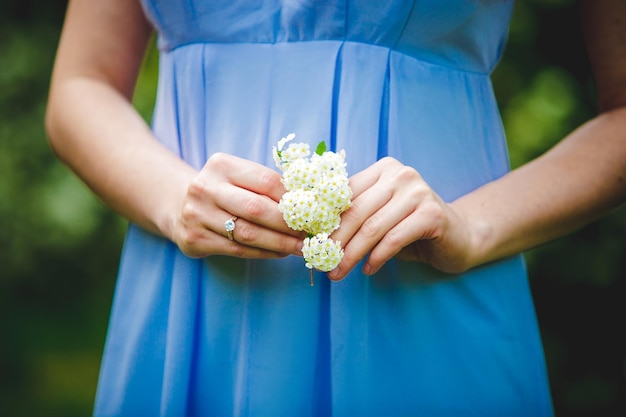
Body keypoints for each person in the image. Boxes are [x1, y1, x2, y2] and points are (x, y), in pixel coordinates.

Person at [45, 0, 625, 416]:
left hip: (422, 296)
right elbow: (80, 84)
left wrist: (472, 225)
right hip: (194, 296)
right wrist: (171, 198)